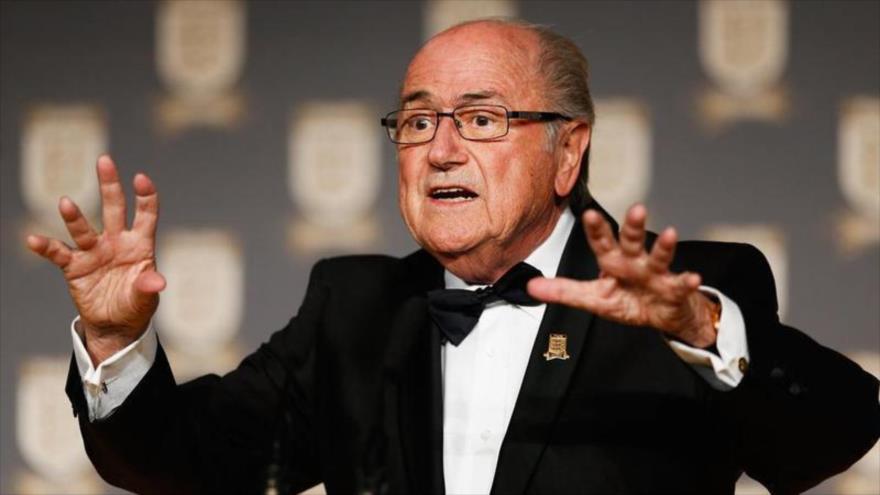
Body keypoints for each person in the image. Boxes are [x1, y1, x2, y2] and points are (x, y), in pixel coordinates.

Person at [27, 19, 878, 495]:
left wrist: (699, 328)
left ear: (568, 151)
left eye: (480, 118)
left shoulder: (691, 292)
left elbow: (831, 435)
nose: (439, 150)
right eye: (417, 120)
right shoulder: (354, 307)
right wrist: (116, 340)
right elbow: (186, 463)